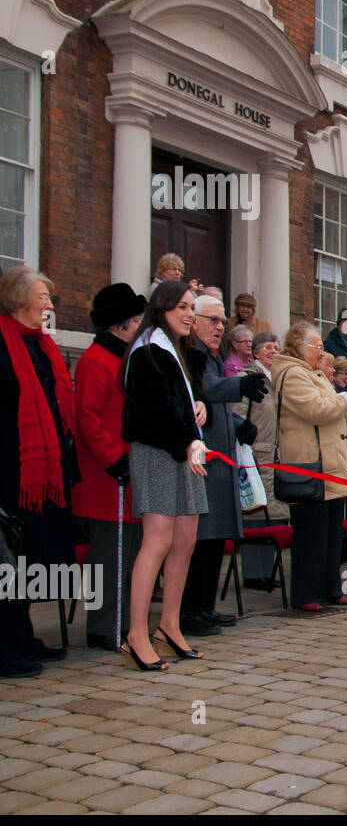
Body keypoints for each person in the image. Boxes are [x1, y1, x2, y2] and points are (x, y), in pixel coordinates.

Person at [120, 281, 210, 669]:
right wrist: (187, 440)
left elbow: (182, 401)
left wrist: (199, 405)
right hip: (159, 454)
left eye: (192, 307)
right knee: (156, 542)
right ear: (163, 307)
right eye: (183, 306)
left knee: (185, 539)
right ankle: (135, 633)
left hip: (184, 452)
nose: (190, 313)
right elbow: (152, 415)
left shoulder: (176, 351)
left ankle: (168, 625)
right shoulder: (147, 352)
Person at [0, 267, 77, 677]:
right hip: (10, 471)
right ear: (18, 299)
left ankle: (21, 634)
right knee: (7, 562)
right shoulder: (2, 343)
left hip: (44, 474)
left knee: (31, 558)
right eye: (43, 297)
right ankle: (4, 644)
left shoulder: (41, 346)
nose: (49, 304)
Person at [181, 295, 268, 635]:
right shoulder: (191, 354)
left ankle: (205, 606)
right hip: (203, 459)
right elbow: (202, 389)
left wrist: (238, 426)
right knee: (201, 540)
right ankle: (190, 611)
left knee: (215, 540)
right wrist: (238, 385)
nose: (220, 327)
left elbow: (214, 404)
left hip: (220, 456)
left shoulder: (212, 355)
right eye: (213, 320)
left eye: (222, 321)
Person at [73, 283, 146, 652]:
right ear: (118, 325)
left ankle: (122, 623)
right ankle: (103, 626)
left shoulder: (122, 358)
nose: (139, 326)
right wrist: (114, 459)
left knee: (128, 553)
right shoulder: (95, 361)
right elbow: (86, 419)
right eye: (134, 320)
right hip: (108, 476)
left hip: (126, 472)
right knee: (108, 557)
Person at [272, 323, 347, 610]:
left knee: (331, 532)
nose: (322, 352)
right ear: (298, 346)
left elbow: (334, 410)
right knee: (311, 533)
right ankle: (307, 593)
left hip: (330, 464)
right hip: (311, 464)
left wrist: (342, 399)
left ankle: (330, 587)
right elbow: (319, 410)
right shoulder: (293, 374)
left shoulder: (313, 374)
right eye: (316, 347)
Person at [240, 332, 286, 589]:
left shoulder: (278, 381)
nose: (273, 350)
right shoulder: (247, 380)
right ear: (255, 352)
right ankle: (252, 572)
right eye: (267, 347)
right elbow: (238, 414)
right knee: (254, 514)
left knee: (275, 514)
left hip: (276, 455)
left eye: (276, 346)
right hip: (255, 454)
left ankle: (267, 571)